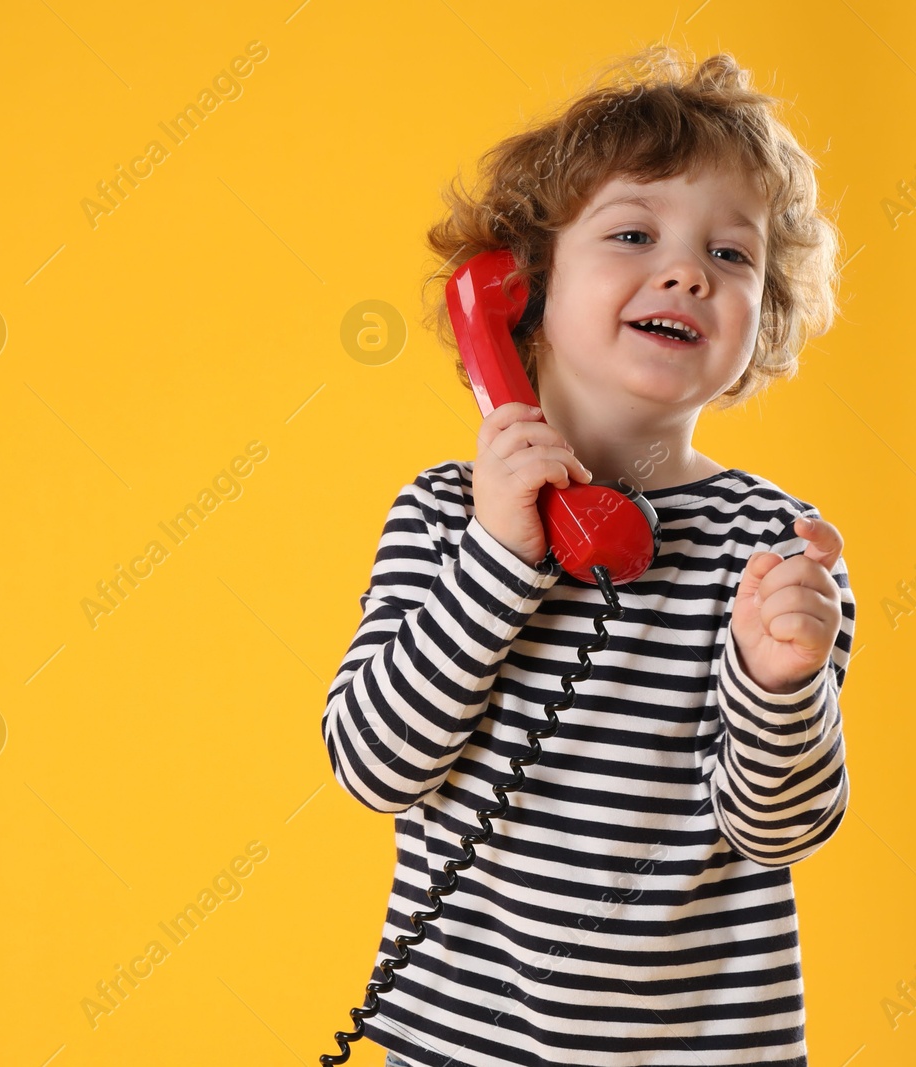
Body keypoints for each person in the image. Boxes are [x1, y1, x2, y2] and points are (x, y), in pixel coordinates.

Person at [320, 45, 856, 1067]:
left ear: (762, 318)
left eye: (731, 255)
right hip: (458, 1045)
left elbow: (776, 826)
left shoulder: (778, 554)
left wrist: (781, 682)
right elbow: (372, 764)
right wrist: (494, 559)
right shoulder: (443, 516)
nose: (687, 268)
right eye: (632, 232)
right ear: (515, 292)